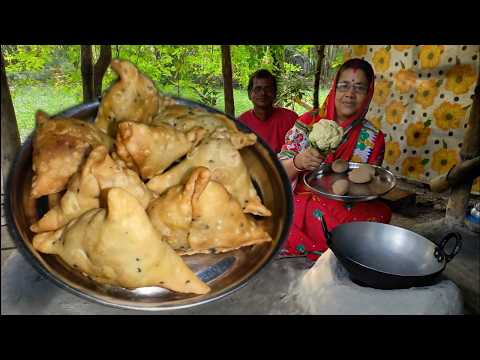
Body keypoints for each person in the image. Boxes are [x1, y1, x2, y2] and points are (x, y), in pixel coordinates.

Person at [278, 58, 392, 261]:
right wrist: (298, 162)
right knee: (304, 212)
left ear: (368, 94)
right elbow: (276, 174)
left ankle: (334, 251)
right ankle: (329, 253)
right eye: (344, 86)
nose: (350, 94)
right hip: (303, 200)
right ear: (334, 89)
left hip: (346, 204)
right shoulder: (307, 123)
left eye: (359, 88)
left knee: (381, 215)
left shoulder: (373, 138)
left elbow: (369, 188)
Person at [238, 69, 298, 153]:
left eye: (268, 89)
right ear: (249, 94)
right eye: (257, 89)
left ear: (275, 93)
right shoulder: (241, 124)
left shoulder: (291, 119)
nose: (263, 93)